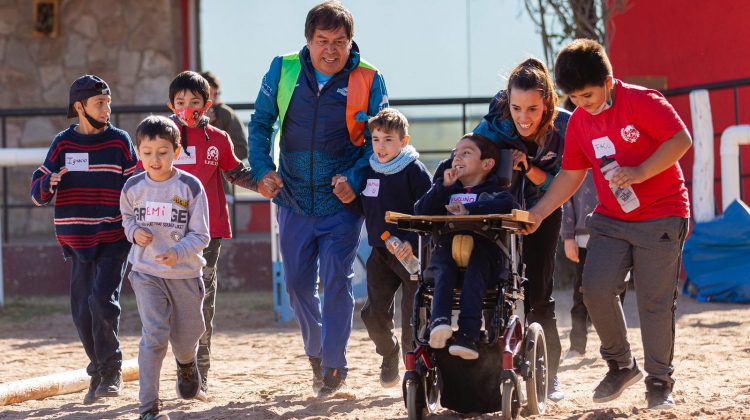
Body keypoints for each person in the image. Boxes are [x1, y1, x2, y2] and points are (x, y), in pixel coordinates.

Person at [522, 39, 691, 410]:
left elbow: (681, 140)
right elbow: (569, 175)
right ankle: (620, 364)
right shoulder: (580, 121)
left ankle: (659, 381)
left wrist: (641, 171)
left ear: (609, 81)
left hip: (662, 214)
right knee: (594, 289)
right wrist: (539, 213)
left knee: (654, 302)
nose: (584, 104)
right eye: (576, 98)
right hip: (612, 219)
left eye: (589, 94)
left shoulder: (643, 101)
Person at [248, 0, 389, 397]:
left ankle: (334, 367)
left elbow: (380, 141)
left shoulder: (369, 78)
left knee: (336, 280)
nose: (331, 49)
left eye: (339, 41)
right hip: (291, 196)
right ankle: (317, 352)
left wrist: (355, 180)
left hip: (340, 203)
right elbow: (260, 124)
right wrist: (261, 171)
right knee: (295, 284)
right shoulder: (283, 68)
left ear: (350, 42)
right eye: (322, 40)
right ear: (307, 41)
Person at [30, 75, 137, 404]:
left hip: (114, 237)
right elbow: (38, 191)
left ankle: (112, 369)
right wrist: (50, 183)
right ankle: (98, 370)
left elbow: (136, 185)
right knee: (81, 310)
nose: (107, 108)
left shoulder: (120, 141)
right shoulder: (62, 144)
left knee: (102, 302)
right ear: (79, 107)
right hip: (77, 240)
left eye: (108, 101)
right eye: (99, 103)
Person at [473, 58, 570, 401]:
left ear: (547, 102)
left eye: (532, 108)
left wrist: (528, 168)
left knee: (539, 296)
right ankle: (490, 371)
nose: (524, 117)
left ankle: (550, 374)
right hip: (501, 215)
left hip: (543, 213)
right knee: (495, 292)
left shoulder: (564, 127)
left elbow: (564, 183)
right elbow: (467, 161)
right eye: (516, 107)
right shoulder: (493, 125)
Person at [165, 70, 258, 396]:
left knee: (202, 301)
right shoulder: (162, 138)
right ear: (170, 105)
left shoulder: (218, 138)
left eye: (195, 102)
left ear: (208, 104)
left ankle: (197, 374)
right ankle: (181, 361)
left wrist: (264, 183)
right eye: (180, 102)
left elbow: (236, 173)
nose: (187, 107)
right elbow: (141, 177)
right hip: (166, 233)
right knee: (170, 305)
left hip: (208, 233)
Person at [121, 116, 210, 420]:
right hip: (146, 272)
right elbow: (127, 218)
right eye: (147, 152)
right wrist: (134, 232)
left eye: (162, 152)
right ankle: (148, 407)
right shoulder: (132, 186)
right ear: (138, 151)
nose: (154, 159)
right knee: (155, 335)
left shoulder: (190, 187)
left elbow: (202, 235)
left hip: (184, 274)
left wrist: (177, 251)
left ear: (177, 150)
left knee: (188, 337)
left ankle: (186, 363)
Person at [347, 109, 431, 387]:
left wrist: (412, 242)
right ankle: (389, 352)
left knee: (411, 318)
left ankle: (413, 372)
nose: (381, 147)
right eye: (376, 139)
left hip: (411, 256)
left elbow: (429, 214)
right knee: (372, 315)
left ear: (404, 141)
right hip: (381, 254)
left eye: (388, 140)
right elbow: (365, 208)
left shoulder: (415, 171)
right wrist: (347, 197)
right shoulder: (369, 169)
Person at [415, 133, 516, 360]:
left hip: (485, 254)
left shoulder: (497, 192)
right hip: (448, 250)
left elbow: (507, 205)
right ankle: (439, 321)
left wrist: (471, 211)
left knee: (478, 263)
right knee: (442, 260)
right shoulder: (446, 190)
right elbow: (421, 211)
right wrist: (444, 186)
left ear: (487, 164)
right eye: (455, 153)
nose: (457, 158)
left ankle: (468, 335)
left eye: (466, 153)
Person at [200, 70, 249, 198]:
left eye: (215, 94)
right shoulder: (186, 116)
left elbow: (241, 149)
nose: (212, 98)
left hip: (221, 187)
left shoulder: (225, 114)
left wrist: (216, 161)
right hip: (192, 189)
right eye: (208, 94)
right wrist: (202, 124)